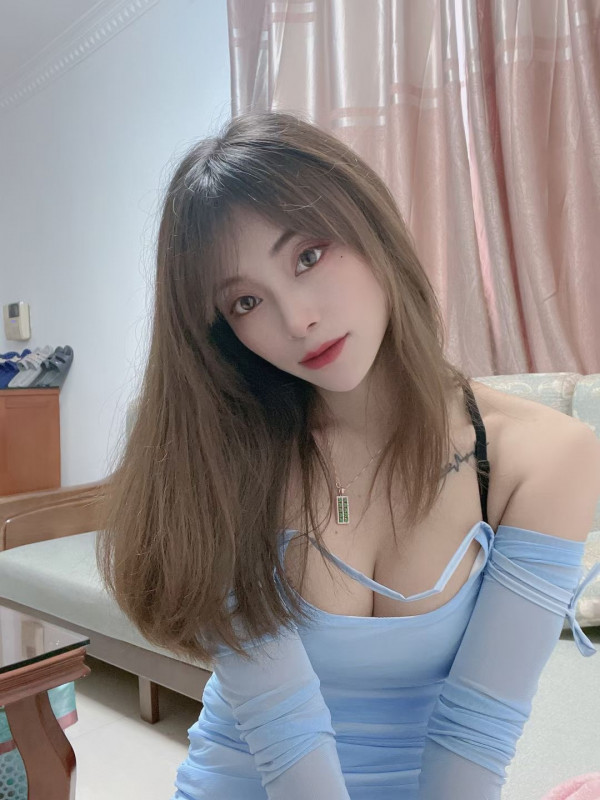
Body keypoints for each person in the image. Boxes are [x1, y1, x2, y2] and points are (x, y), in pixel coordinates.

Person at [96, 110, 600, 800]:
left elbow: (475, 734)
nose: (297, 319)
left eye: (308, 256)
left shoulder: (545, 457)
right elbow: (285, 734)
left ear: (372, 229)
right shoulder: (223, 458)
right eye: (246, 301)